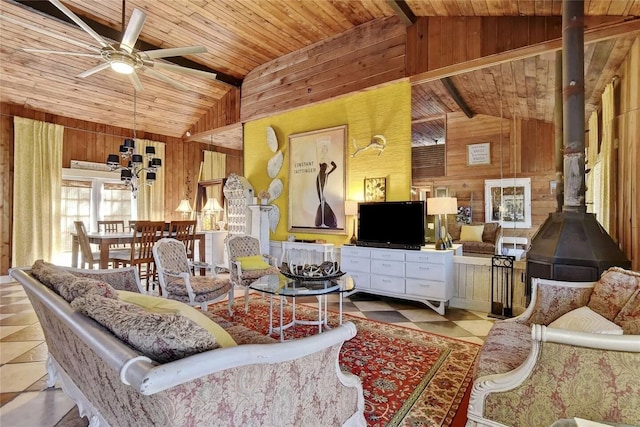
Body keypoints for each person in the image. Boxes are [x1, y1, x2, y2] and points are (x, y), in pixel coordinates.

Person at [315, 160, 337, 228]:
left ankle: (329, 222)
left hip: (324, 194)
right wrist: (320, 195)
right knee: (323, 207)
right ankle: (322, 222)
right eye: (323, 168)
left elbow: (335, 167)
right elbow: (318, 187)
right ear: (321, 167)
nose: (324, 169)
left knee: (325, 207)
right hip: (320, 194)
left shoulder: (326, 175)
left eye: (325, 168)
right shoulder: (318, 176)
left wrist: (333, 164)